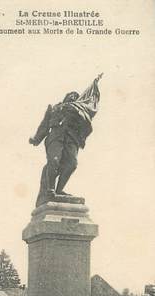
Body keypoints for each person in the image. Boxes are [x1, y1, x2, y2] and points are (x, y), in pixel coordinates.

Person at [30, 74, 103, 207]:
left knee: (72, 164)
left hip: (71, 139)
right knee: (54, 160)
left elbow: (86, 121)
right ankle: (50, 190)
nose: (73, 97)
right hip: (56, 136)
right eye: (71, 95)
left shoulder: (79, 111)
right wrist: (36, 138)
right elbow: (44, 125)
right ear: (65, 97)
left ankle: (59, 190)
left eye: (76, 96)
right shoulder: (55, 108)